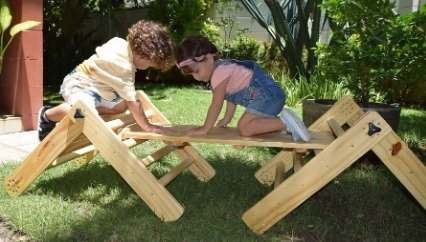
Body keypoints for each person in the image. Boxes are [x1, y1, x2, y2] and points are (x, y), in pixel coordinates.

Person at [38, 20, 174, 141]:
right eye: (150, 65)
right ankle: (47, 115)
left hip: (100, 89)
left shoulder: (120, 42)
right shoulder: (125, 67)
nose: (147, 68)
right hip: (79, 83)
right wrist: (148, 126)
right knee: (82, 111)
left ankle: (91, 107)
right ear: (143, 56)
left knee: (121, 106)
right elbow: (132, 101)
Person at [176, 35, 310, 142]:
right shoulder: (224, 67)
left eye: (197, 71)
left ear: (209, 58)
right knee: (250, 126)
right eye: (192, 74)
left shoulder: (219, 74)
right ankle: (286, 124)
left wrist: (205, 129)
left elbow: (216, 105)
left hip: (266, 96)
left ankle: (286, 123)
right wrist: (227, 118)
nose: (196, 77)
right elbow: (231, 97)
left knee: (244, 128)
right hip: (271, 96)